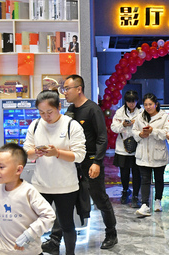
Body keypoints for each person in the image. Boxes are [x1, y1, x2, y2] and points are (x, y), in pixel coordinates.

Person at [41, 74, 118, 251]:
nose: (65, 92)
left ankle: (111, 233)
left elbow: (102, 138)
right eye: (64, 89)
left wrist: (97, 162)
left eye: (67, 89)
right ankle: (55, 240)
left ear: (79, 89)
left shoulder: (92, 109)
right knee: (65, 200)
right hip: (72, 163)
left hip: (90, 163)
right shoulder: (70, 110)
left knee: (100, 199)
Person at [23, 89, 86, 255]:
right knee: (35, 223)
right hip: (40, 184)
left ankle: (69, 253)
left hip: (65, 185)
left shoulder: (71, 125)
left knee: (66, 224)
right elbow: (26, 151)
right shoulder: (35, 125)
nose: (45, 116)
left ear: (59, 106)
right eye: (41, 112)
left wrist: (57, 153)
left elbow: (79, 156)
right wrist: (35, 153)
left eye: (49, 112)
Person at [0, 143, 56, 255]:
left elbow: (49, 215)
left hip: (29, 251)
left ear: (18, 170)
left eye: (1, 167)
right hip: (3, 251)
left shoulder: (28, 192)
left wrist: (29, 235)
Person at [132, 93, 169, 216]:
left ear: (156, 104)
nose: (148, 107)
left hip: (158, 152)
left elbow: (167, 133)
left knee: (159, 179)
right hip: (143, 152)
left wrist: (153, 131)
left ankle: (158, 200)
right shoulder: (140, 117)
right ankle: (145, 204)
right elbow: (134, 131)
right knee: (145, 179)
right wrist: (140, 135)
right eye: (146, 104)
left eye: (150, 104)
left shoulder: (163, 117)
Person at [111, 90, 142, 207]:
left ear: (137, 101)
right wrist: (123, 125)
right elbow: (113, 127)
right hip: (122, 147)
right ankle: (125, 191)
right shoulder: (120, 112)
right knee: (124, 172)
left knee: (136, 173)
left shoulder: (142, 112)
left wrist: (136, 123)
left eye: (133, 102)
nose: (131, 104)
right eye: (129, 102)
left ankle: (135, 195)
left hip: (138, 146)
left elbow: (146, 126)